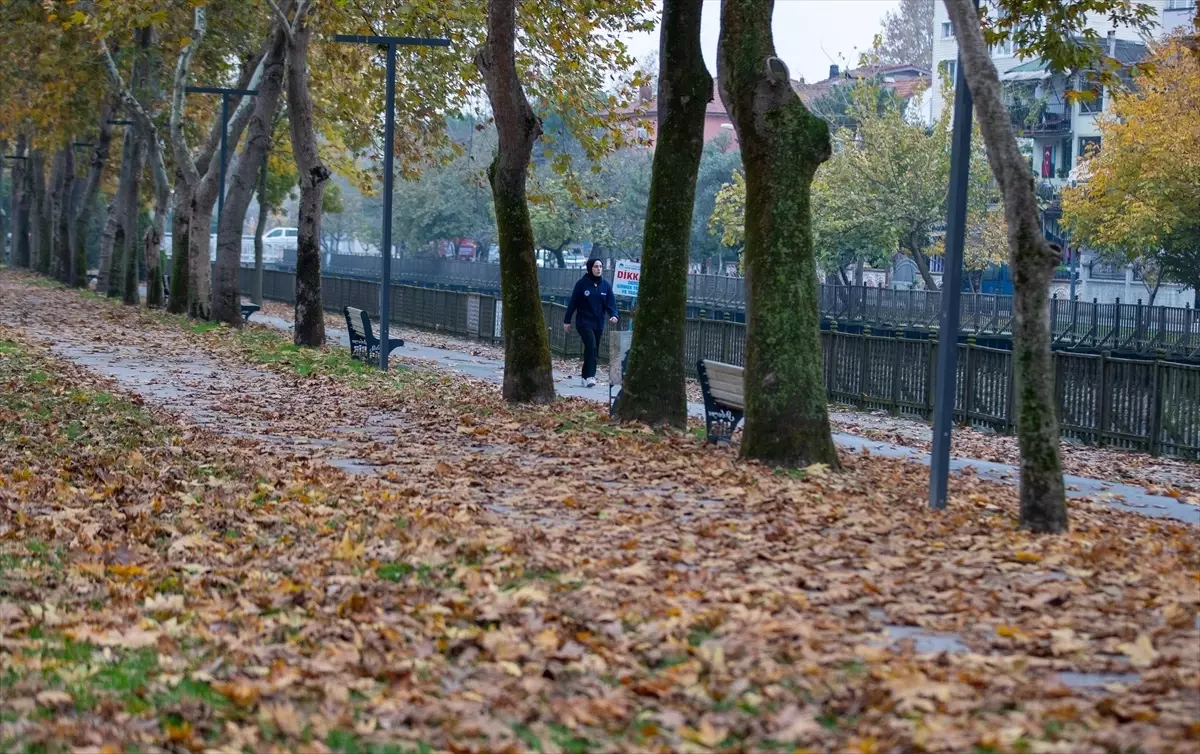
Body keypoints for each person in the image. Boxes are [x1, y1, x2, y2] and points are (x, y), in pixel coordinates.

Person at [563, 257, 618, 387]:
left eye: (600, 267)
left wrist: (614, 315)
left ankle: (584, 376)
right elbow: (573, 303)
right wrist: (567, 320)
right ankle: (591, 376)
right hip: (583, 322)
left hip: (598, 323)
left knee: (593, 349)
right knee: (591, 345)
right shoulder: (581, 284)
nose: (598, 269)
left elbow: (611, 304)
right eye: (595, 266)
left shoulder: (605, 285)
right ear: (590, 268)